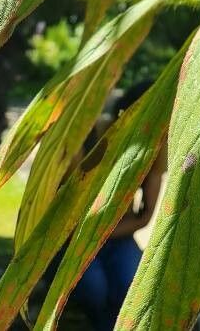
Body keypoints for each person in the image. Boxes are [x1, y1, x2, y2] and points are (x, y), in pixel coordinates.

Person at [67, 82, 166, 331]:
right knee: (94, 289)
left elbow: (144, 218)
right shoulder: (95, 134)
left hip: (117, 238)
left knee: (133, 284)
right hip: (77, 241)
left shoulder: (155, 147)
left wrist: (102, 235)